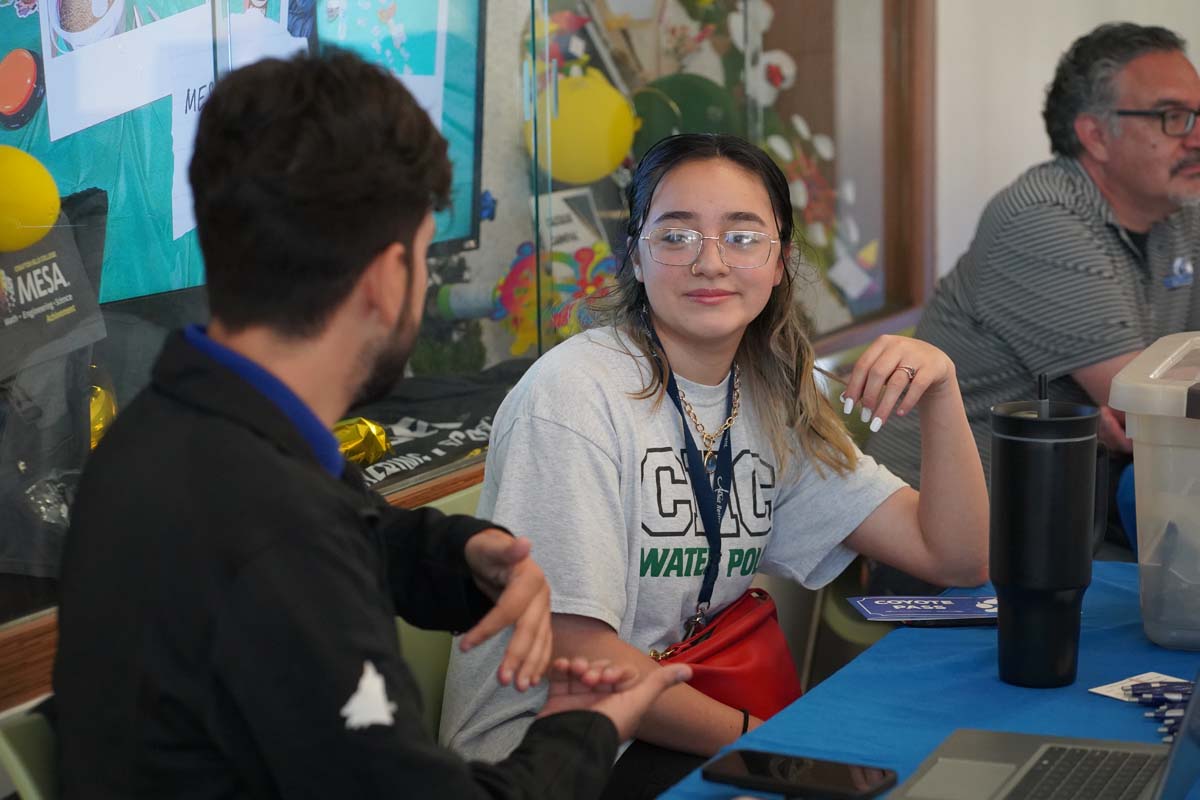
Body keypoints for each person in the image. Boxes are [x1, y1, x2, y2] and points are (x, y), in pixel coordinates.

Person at [51, 49, 691, 800]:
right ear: (389, 280)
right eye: (423, 257)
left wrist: (461, 558)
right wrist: (589, 728)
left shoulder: (175, 429)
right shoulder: (270, 532)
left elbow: (351, 530)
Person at [439, 133, 989, 798]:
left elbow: (955, 559)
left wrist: (941, 393)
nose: (710, 262)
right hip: (552, 755)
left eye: (742, 235)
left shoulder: (768, 394)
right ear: (636, 257)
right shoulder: (575, 394)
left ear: (781, 259)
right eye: (675, 236)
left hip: (681, 728)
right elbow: (580, 656)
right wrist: (772, 739)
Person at [867, 22, 1200, 556]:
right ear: (1095, 135)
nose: (1197, 136)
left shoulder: (1180, 213)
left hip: (1076, 504)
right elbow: (1147, 420)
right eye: (1174, 117)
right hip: (952, 528)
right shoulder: (1041, 219)